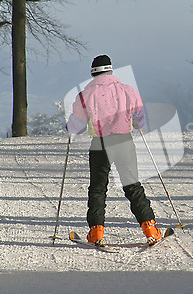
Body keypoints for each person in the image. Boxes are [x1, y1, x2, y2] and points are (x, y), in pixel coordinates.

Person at [66, 55, 162, 246]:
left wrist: (71, 127)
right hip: (124, 141)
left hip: (99, 144)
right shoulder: (127, 90)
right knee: (132, 185)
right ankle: (150, 227)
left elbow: (77, 125)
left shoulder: (85, 95)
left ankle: (96, 232)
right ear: (110, 71)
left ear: (93, 73)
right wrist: (137, 123)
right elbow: (140, 117)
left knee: (98, 188)